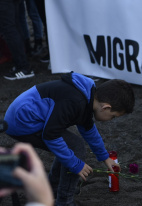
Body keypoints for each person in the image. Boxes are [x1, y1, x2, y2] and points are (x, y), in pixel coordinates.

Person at [4, 72, 135, 206]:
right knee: (75, 147)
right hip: (22, 123)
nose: (111, 120)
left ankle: (52, 190)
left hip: (32, 118)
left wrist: (104, 157)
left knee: (71, 147)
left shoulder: (88, 96)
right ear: (106, 107)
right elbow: (51, 135)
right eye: (113, 116)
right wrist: (76, 165)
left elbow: (89, 131)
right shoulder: (75, 101)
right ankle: (64, 201)